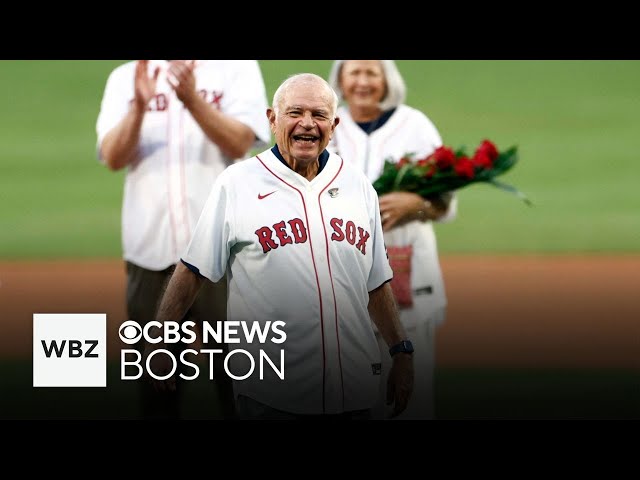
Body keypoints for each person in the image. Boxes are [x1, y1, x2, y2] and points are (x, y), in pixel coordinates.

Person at [145, 73, 414, 420]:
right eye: (294, 113)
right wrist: (161, 338)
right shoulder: (238, 183)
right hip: (271, 394)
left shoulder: (358, 186)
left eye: (318, 115)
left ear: (333, 125)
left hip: (356, 387)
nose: (307, 124)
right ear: (272, 119)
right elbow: (193, 269)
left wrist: (401, 351)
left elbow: (376, 282)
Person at [95, 60, 271, 419]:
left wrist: (192, 99)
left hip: (223, 252)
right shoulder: (127, 77)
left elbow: (240, 142)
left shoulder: (236, 68)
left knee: (240, 380)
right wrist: (139, 108)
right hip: (151, 253)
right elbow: (113, 157)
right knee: (155, 383)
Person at [327, 60, 457, 420]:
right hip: (342, 278)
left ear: (387, 80)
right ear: (339, 79)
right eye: (354, 72)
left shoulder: (415, 126)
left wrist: (416, 205)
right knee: (351, 395)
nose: (363, 81)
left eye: (372, 72)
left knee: (411, 398)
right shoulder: (326, 125)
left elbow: (447, 204)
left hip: (410, 272)